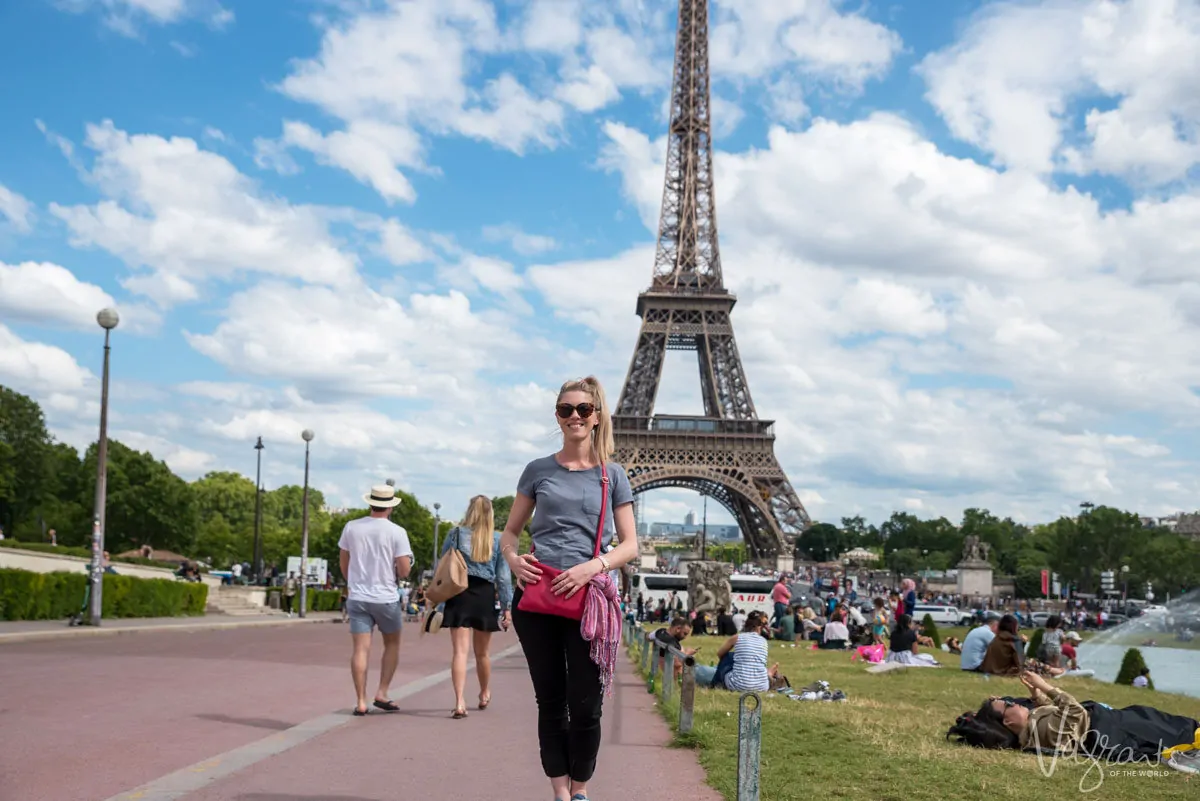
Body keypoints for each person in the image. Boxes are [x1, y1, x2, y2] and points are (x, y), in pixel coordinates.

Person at [500, 376, 638, 801]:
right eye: (566, 410)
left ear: (596, 417)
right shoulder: (537, 470)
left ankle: (581, 787)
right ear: (557, 416)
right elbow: (509, 533)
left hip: (586, 602)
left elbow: (630, 545)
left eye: (582, 410)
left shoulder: (611, 475)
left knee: (586, 706)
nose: (574, 416)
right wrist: (511, 558)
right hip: (537, 598)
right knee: (550, 701)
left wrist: (590, 568)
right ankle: (562, 792)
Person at [948, 670, 1199, 765]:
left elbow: (1055, 716)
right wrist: (1046, 686)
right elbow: (1074, 713)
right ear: (1008, 722)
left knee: (1150, 714)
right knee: (1168, 728)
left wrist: (1037, 698)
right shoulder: (1040, 733)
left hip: (1109, 720)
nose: (1015, 702)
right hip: (1113, 730)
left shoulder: (1034, 726)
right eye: (1009, 704)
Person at [338, 483, 414, 716]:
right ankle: (382, 691)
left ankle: (361, 700)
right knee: (392, 644)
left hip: (358, 595)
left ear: (370, 502)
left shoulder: (351, 527)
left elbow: (344, 562)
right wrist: (407, 564)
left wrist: (354, 582)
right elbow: (403, 571)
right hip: (385, 597)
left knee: (361, 649)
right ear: (390, 507)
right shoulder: (396, 532)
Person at [440, 495, 513, 719]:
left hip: (458, 593)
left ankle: (459, 701)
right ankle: (483, 693)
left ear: (470, 510)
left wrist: (440, 601)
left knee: (459, 652)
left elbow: (442, 564)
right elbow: (503, 578)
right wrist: (507, 607)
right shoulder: (497, 539)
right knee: (482, 653)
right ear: (490, 514)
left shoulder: (455, 534)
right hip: (484, 596)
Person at [695, 612, 780, 691]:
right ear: (760, 627)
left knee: (728, 656)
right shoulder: (764, 641)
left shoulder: (738, 637)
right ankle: (767, 674)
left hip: (738, 685)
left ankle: (716, 683)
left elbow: (720, 654)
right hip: (762, 686)